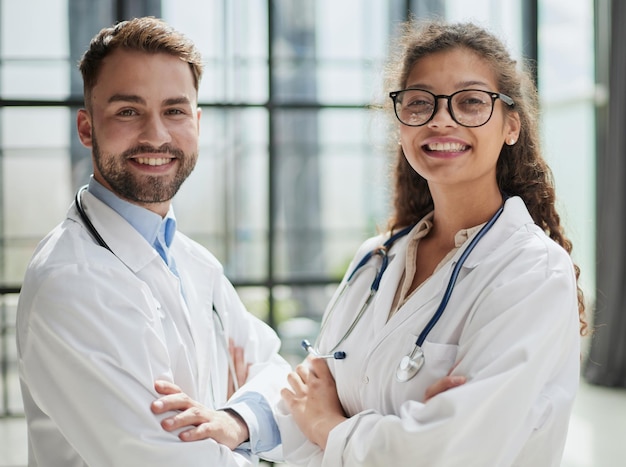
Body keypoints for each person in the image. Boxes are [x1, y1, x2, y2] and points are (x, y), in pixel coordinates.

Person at [277, 20, 588, 467]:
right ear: (401, 123)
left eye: (471, 102)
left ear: (511, 126)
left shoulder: (532, 272)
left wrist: (330, 425)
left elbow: (452, 453)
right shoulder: (374, 258)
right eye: (420, 103)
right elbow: (303, 399)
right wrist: (404, 429)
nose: (442, 119)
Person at [16, 17, 290, 467]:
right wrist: (255, 424)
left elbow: (281, 381)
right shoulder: (72, 281)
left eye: (174, 111)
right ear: (87, 129)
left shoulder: (194, 262)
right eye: (128, 111)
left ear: (197, 123)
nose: (156, 135)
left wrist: (236, 422)